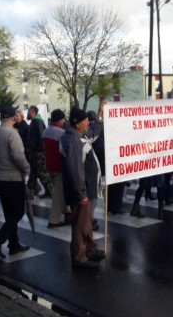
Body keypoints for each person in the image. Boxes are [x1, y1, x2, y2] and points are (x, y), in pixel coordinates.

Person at [60, 106, 105, 269]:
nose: (88, 123)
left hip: (85, 189)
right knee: (81, 225)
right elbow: (75, 169)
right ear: (77, 123)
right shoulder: (73, 141)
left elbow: (94, 131)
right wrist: (81, 194)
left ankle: (89, 249)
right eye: (85, 121)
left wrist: (99, 114)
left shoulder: (77, 136)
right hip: (81, 191)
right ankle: (79, 256)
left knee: (86, 222)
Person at [0, 106, 31, 259]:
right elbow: (18, 156)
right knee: (17, 213)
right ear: (13, 118)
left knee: (9, 214)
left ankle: (14, 244)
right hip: (12, 178)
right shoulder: (12, 133)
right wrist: (27, 168)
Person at [42, 109, 70, 228]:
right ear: (59, 120)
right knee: (58, 195)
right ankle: (53, 220)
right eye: (63, 119)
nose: (64, 121)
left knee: (61, 192)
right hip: (59, 167)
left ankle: (68, 213)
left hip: (50, 166)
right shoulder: (62, 133)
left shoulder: (46, 131)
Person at [26, 106, 52, 198]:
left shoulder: (37, 122)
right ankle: (29, 190)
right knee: (34, 173)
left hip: (38, 153)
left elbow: (41, 137)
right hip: (35, 152)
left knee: (43, 173)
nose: (27, 113)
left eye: (29, 111)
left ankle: (51, 191)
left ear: (32, 112)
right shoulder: (35, 122)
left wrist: (40, 150)